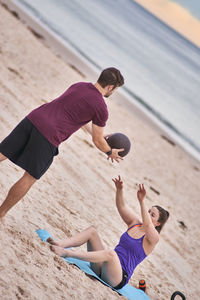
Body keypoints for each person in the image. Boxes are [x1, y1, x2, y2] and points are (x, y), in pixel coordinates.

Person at [0, 68, 124, 222]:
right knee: (30, 176)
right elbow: (98, 141)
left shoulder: (80, 85)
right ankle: (1, 213)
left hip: (34, 118)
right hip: (49, 135)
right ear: (111, 87)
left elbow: (73, 114)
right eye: (116, 89)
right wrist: (109, 151)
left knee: (3, 152)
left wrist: (96, 132)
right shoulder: (101, 107)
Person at [47, 176, 169, 289]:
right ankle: (61, 244)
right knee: (92, 232)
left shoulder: (153, 239)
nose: (147, 214)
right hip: (102, 267)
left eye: (152, 215)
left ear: (158, 224)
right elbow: (121, 206)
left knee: (111, 254)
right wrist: (119, 190)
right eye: (148, 211)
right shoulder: (135, 223)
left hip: (118, 278)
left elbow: (148, 225)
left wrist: (142, 201)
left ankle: (67, 253)